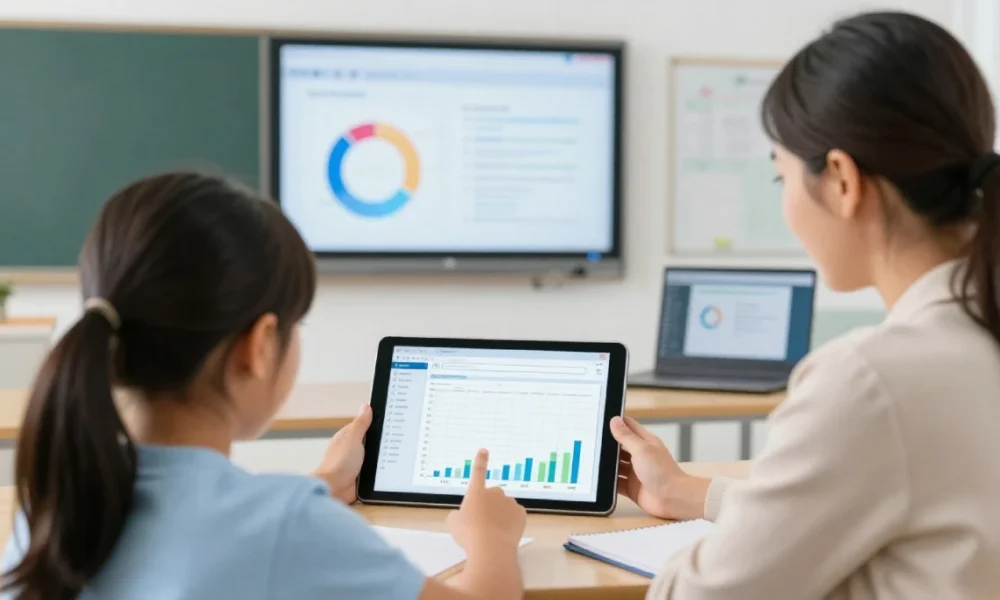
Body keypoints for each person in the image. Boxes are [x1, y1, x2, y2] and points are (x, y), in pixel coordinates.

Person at [611, 11, 1000, 600]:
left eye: (781, 178)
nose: (787, 203)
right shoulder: (973, 335)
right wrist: (692, 493)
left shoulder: (872, 379)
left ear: (842, 180)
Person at [0, 173, 526, 600]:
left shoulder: (52, 503)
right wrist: (491, 539)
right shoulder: (290, 525)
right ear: (259, 345)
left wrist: (318, 482)